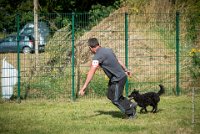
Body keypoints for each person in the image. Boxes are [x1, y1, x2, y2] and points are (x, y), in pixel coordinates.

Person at [79, 38, 137, 119]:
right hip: (117, 78)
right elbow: (118, 61)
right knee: (110, 95)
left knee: (116, 100)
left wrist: (84, 87)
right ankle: (130, 104)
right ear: (98, 44)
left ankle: (131, 113)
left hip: (118, 79)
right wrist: (126, 70)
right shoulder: (108, 50)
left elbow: (92, 71)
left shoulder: (97, 57)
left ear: (90, 48)